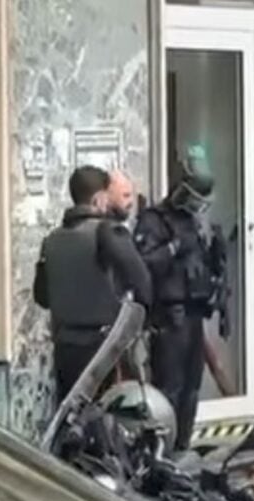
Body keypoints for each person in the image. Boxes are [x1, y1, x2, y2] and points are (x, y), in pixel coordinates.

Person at [34, 166, 151, 406]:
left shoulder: (52, 240)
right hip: (103, 348)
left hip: (65, 346)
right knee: (105, 413)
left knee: (71, 414)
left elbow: (42, 297)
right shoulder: (107, 232)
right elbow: (142, 282)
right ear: (99, 199)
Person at [133, 144, 222, 454]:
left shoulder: (195, 222)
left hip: (194, 314)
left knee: (191, 389)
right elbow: (143, 264)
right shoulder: (154, 220)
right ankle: (163, 451)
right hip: (169, 317)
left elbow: (203, 265)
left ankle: (183, 446)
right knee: (169, 389)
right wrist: (172, 248)